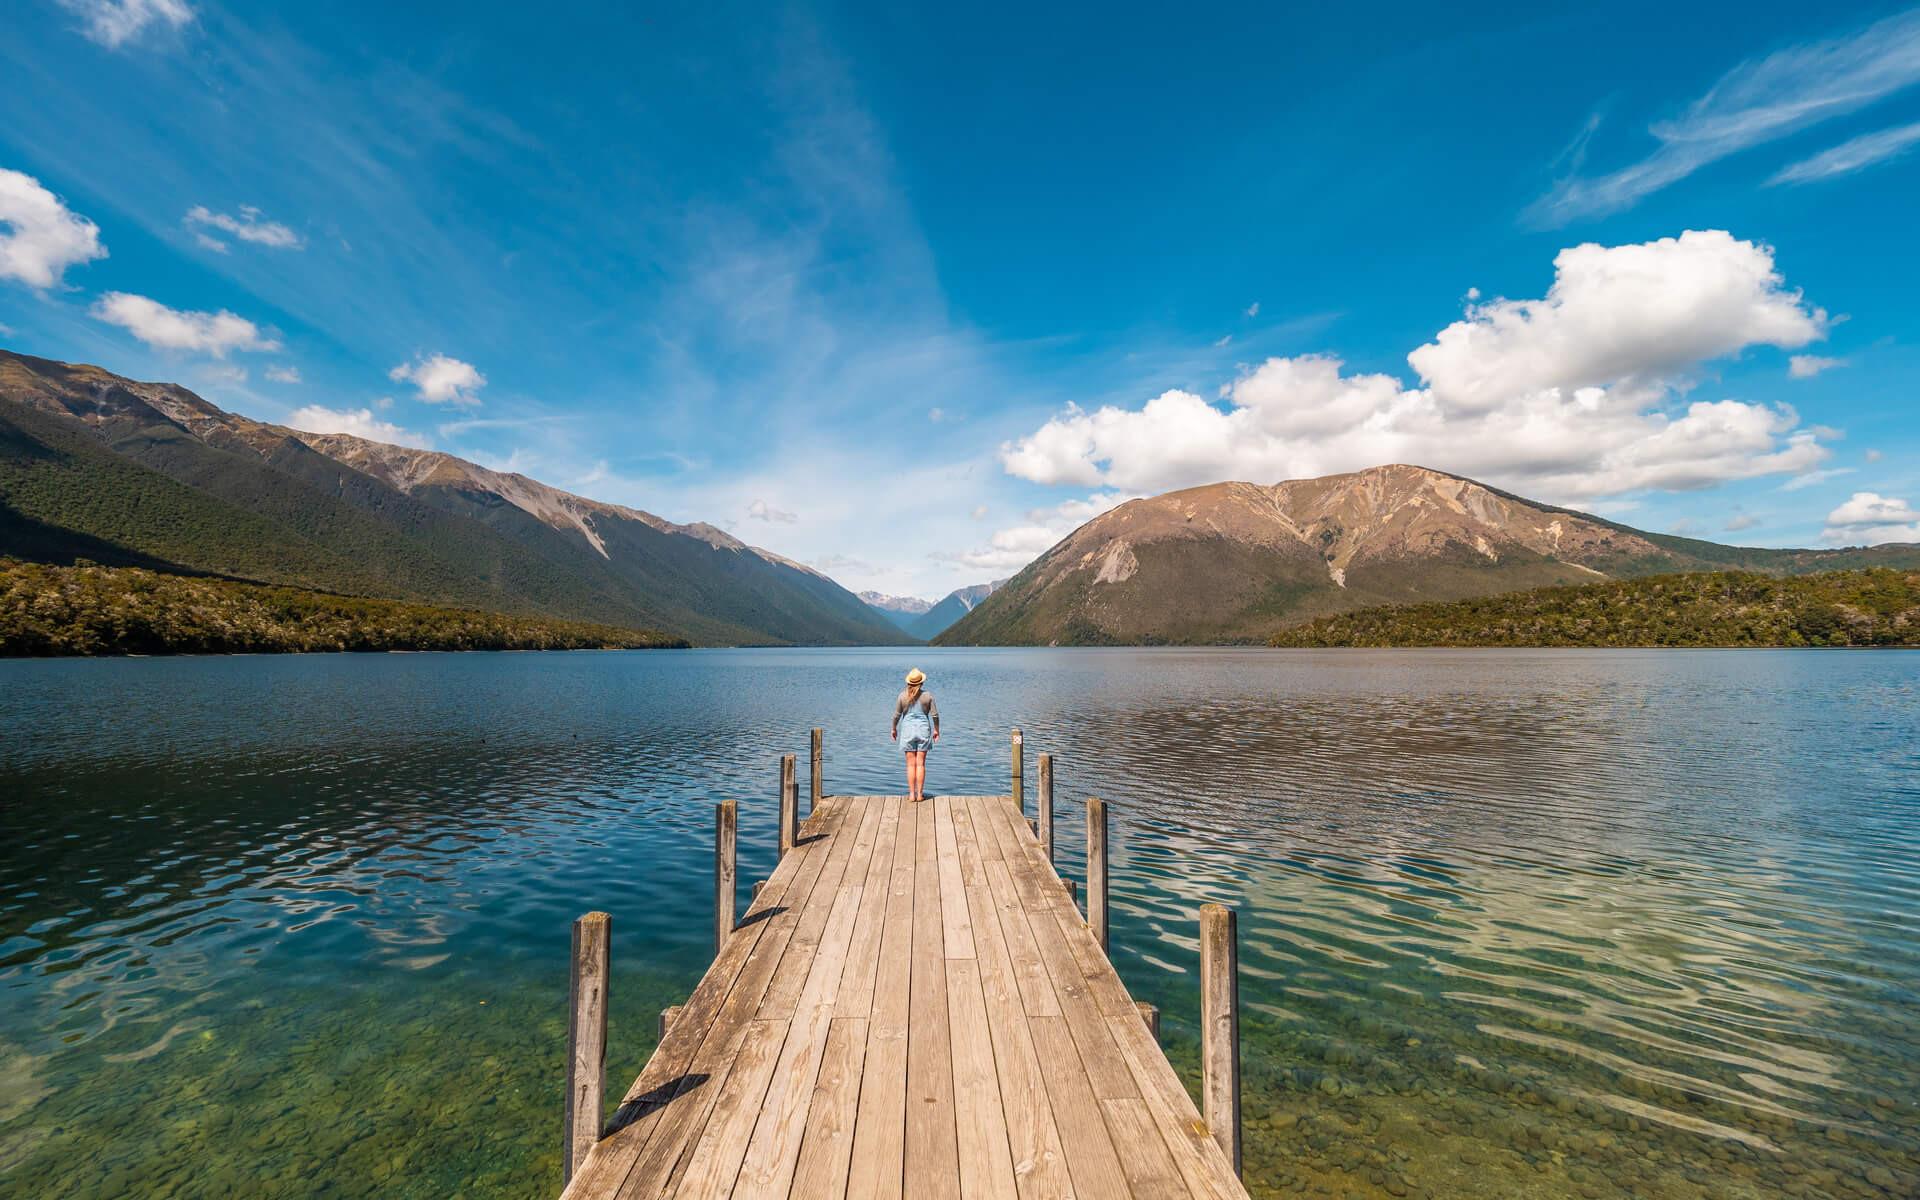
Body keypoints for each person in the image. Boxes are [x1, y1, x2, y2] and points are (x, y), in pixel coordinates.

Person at [891, 667, 940, 802]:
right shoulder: (928, 696)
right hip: (923, 730)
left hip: (907, 731)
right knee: (921, 764)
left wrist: (893, 729)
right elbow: (935, 715)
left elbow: (896, 715)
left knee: (910, 765)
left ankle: (912, 794)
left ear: (908, 682)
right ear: (921, 683)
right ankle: (920, 795)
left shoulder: (902, 696)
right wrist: (936, 730)